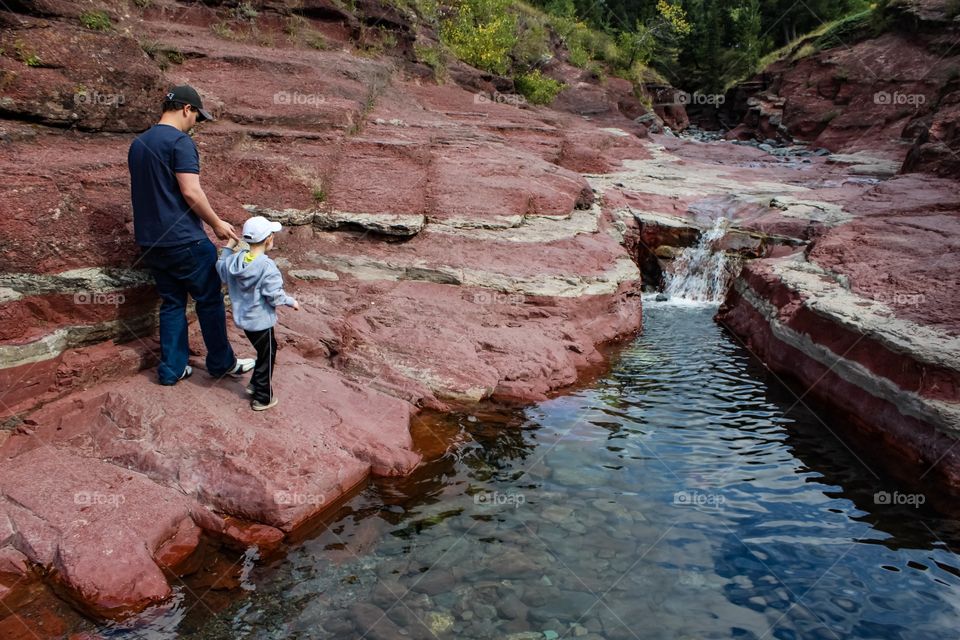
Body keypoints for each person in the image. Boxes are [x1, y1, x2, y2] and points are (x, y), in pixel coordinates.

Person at [128, 85, 254, 385]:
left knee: (172, 303)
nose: (196, 123)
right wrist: (216, 223)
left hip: (151, 243)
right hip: (186, 240)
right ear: (187, 109)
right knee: (209, 301)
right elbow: (190, 190)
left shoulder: (139, 143)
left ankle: (172, 369)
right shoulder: (179, 142)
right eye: (197, 116)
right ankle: (221, 363)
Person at [216, 216, 299, 411]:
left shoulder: (236, 260)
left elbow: (220, 268)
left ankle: (255, 384)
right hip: (261, 321)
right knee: (268, 353)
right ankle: (263, 397)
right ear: (269, 239)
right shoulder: (266, 266)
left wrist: (229, 245)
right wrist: (291, 301)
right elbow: (274, 296)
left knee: (264, 352)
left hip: (243, 320)